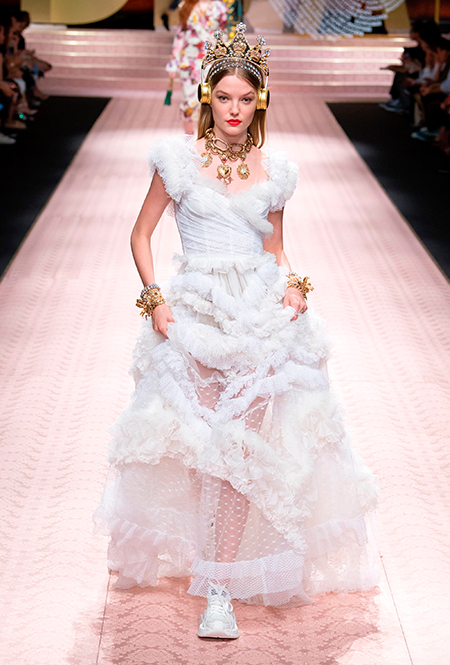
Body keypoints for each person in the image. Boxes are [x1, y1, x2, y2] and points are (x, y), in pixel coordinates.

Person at [95, 23, 380, 639]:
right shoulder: (177, 161)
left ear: (260, 101)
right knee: (204, 449)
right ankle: (204, 560)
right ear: (208, 97)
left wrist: (294, 285)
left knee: (237, 452)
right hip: (195, 314)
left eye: (245, 99)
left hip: (258, 315)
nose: (234, 110)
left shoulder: (275, 171)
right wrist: (153, 299)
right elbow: (141, 233)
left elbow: (275, 250)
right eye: (224, 97)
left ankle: (219, 588)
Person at [166, 0, 227, 134]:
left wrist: (223, 60)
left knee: (207, 101)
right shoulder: (186, 5)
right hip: (189, 62)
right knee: (188, 102)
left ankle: (205, 139)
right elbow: (180, 35)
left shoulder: (220, 8)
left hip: (210, 61)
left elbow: (223, 36)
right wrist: (173, 63)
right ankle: (188, 140)